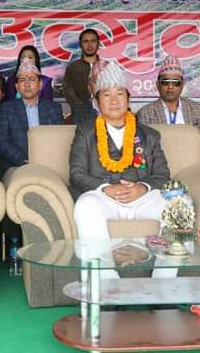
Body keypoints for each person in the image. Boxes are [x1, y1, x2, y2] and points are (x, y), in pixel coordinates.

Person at [71, 61, 172, 279]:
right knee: (85, 206)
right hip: (104, 199)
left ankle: (164, 282)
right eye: (107, 95)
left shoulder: (149, 135)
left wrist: (142, 188)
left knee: (178, 205)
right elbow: (77, 175)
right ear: (97, 101)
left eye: (120, 94)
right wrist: (106, 188)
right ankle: (105, 282)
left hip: (142, 199)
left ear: (128, 99)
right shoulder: (85, 132)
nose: (114, 101)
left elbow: (162, 175)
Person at [137, 56, 200, 161]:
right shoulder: (146, 112)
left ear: (182, 85)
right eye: (165, 82)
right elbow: (144, 147)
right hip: (159, 166)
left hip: (193, 165)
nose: (170, 87)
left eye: (175, 82)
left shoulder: (197, 110)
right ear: (158, 85)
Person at [0, 59, 64, 178]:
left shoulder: (54, 109)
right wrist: (24, 162)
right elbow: (2, 141)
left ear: (40, 84)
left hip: (49, 165)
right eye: (22, 80)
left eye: (32, 79)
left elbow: (60, 141)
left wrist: (45, 161)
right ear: (17, 86)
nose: (27, 84)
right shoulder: (7, 108)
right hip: (16, 166)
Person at [63, 29, 101, 124]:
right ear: (80, 44)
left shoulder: (106, 66)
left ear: (98, 43)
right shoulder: (73, 67)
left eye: (93, 41)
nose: (90, 45)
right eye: (86, 41)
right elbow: (68, 91)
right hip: (80, 114)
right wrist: (81, 107)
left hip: (104, 111)